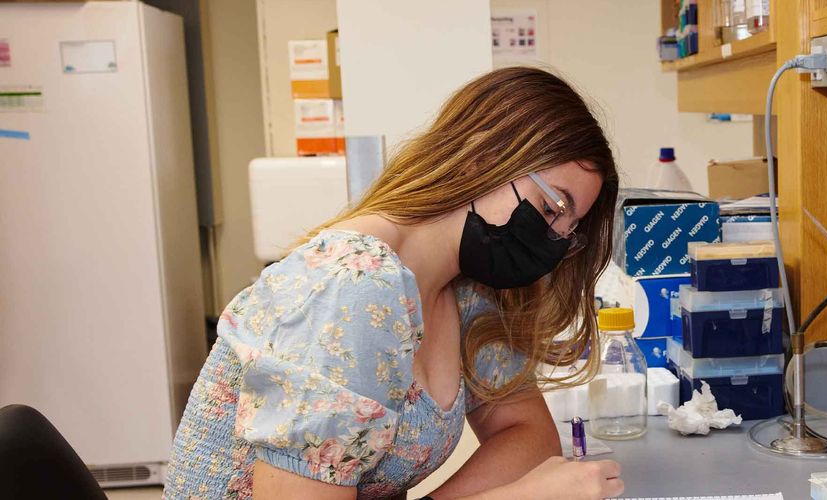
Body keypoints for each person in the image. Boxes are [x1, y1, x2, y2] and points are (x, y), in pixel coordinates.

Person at [165, 67, 623, 500]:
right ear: (480, 159)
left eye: (567, 230)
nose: (550, 242)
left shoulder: (470, 291)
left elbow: (527, 434)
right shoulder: (353, 285)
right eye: (550, 208)